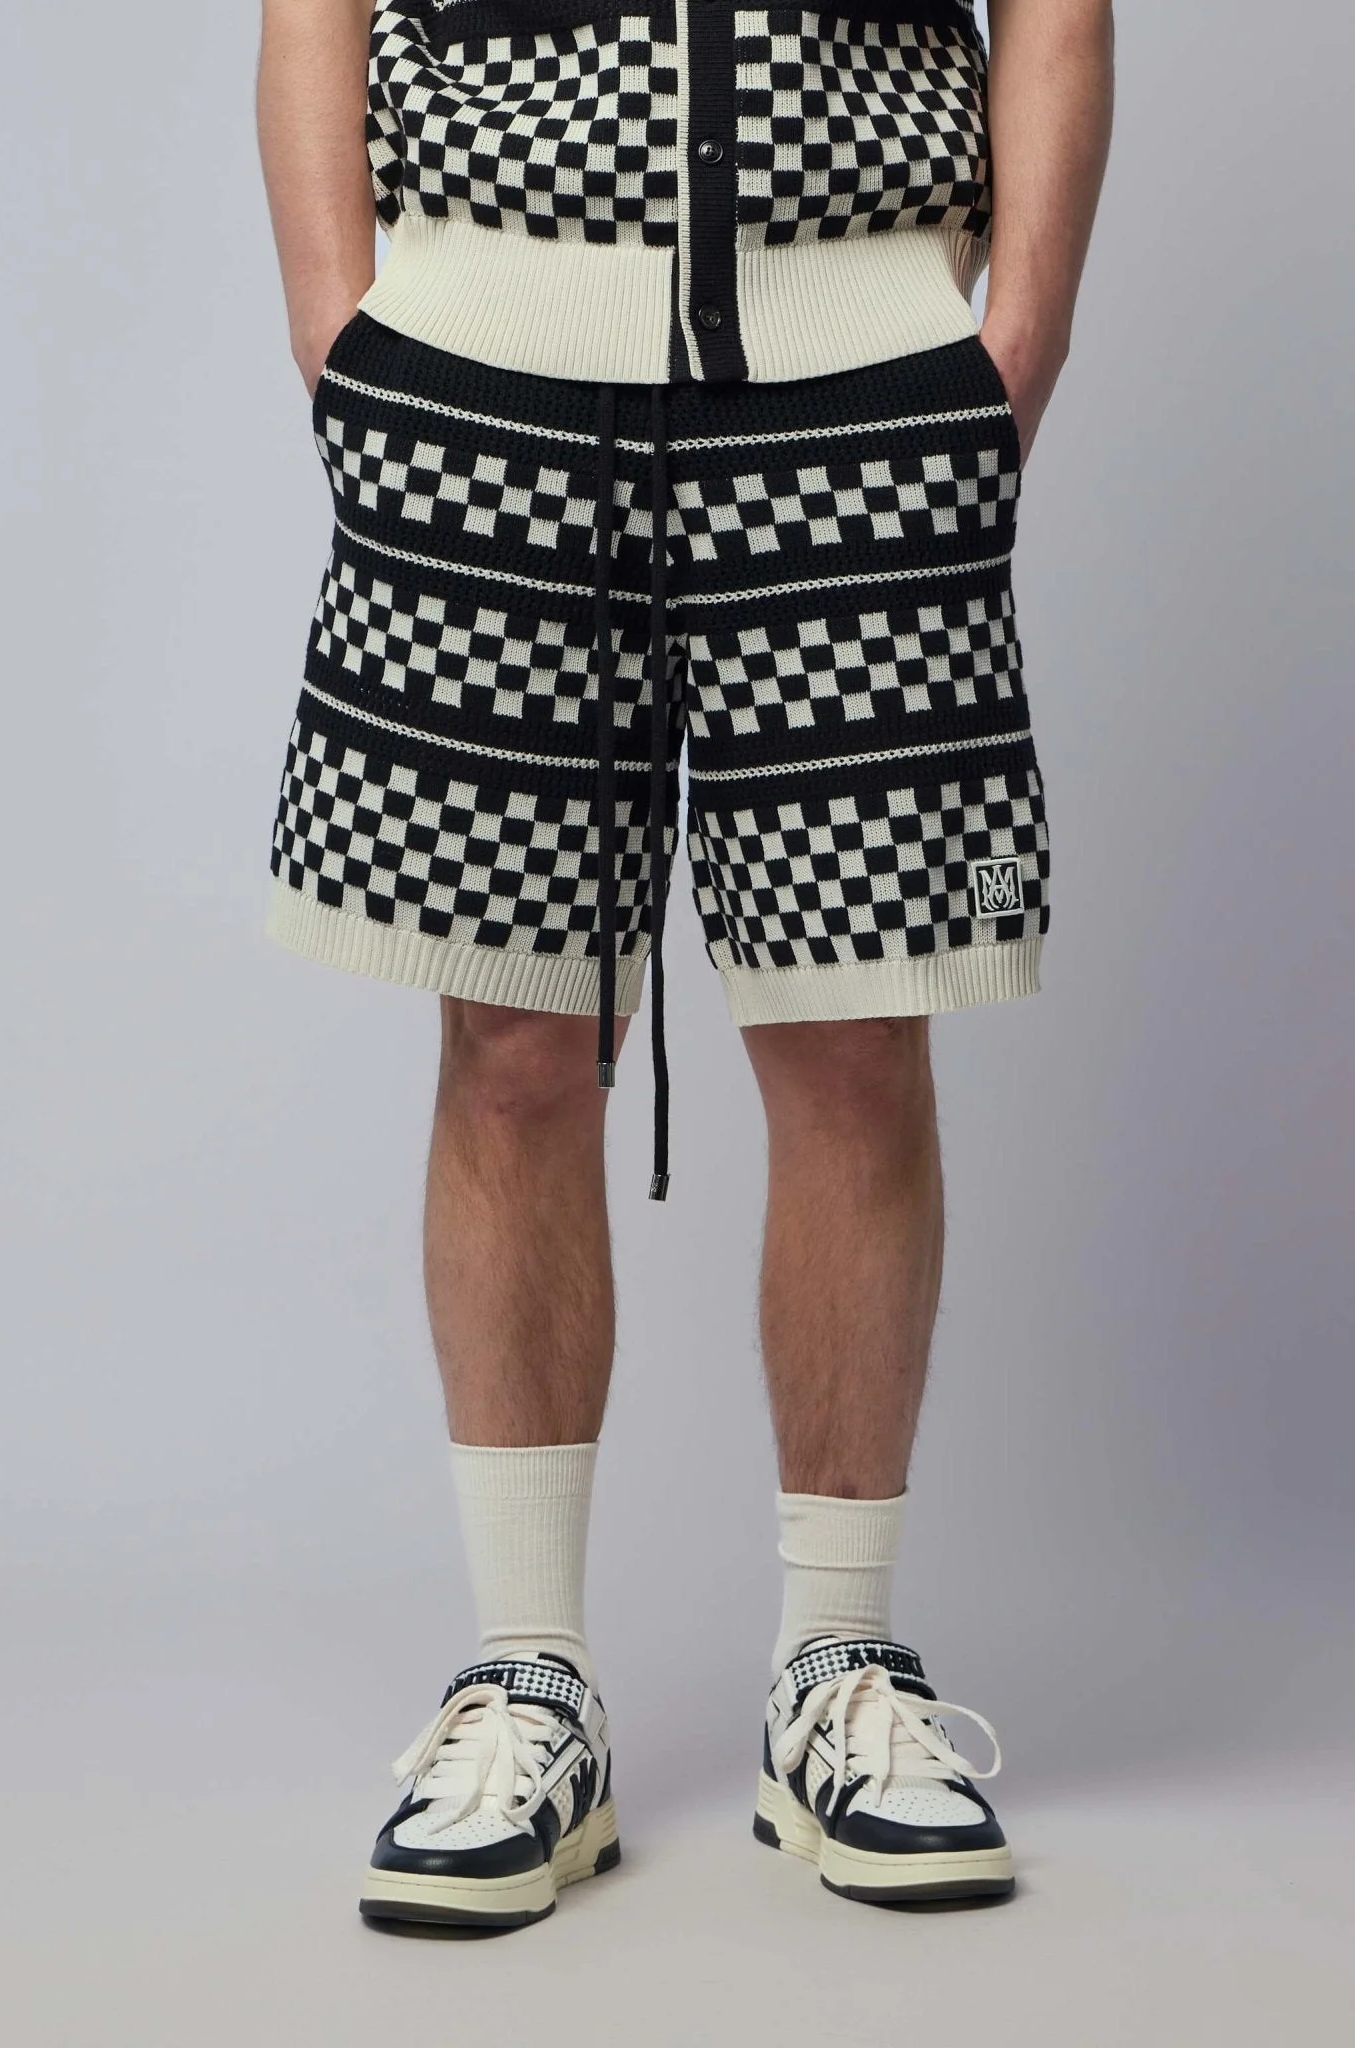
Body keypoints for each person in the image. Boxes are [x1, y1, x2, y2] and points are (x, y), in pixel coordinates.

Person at [257, 0, 1113, 1929]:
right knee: (509, 1038)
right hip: (476, 371)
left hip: (863, 374)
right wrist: (338, 325)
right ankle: (526, 1682)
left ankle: (838, 1669)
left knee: (854, 1029)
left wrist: (1016, 345)